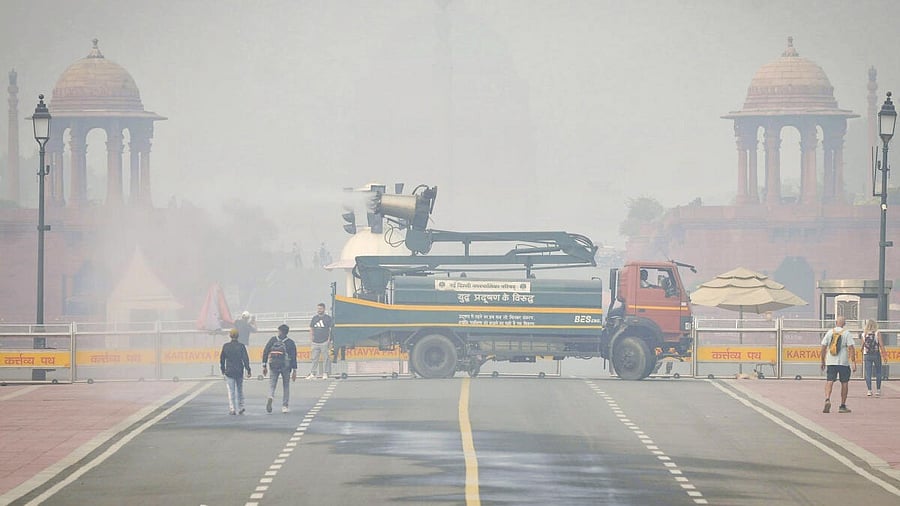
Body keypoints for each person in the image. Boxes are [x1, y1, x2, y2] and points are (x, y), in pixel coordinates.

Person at [820, 316, 857, 413]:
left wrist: (823, 360)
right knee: (844, 383)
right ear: (844, 324)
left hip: (831, 361)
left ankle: (827, 399)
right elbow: (851, 348)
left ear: (836, 322)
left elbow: (823, 347)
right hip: (843, 363)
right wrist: (853, 362)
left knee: (829, 380)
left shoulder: (829, 332)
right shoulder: (846, 333)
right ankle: (842, 405)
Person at [262, 324, 297, 413]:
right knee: (286, 386)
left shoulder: (273, 340)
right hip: (285, 366)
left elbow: (266, 351)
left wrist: (264, 365)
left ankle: (270, 397)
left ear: (280, 331)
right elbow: (293, 356)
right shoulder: (290, 342)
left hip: (273, 366)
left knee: (272, 385)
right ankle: (284, 406)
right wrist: (294, 370)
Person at [220, 328, 251, 415]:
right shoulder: (241, 346)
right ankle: (241, 407)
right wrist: (248, 370)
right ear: (238, 336)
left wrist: (222, 369)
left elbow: (222, 359)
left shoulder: (226, 346)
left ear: (230, 336)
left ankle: (232, 408)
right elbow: (245, 359)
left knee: (231, 391)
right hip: (239, 371)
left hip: (229, 371)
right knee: (240, 390)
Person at [860, 319, 888, 397]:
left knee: (868, 373)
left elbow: (862, 347)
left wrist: (861, 351)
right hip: (876, 354)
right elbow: (881, 345)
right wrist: (885, 355)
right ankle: (878, 390)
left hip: (867, 355)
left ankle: (869, 390)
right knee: (878, 372)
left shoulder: (864, 334)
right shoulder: (877, 333)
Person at [307, 302, 334, 379]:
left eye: (320, 309)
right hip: (315, 342)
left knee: (326, 358)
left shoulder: (328, 318)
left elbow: (330, 329)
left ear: (324, 309)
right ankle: (313, 373)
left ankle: (325, 373)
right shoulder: (314, 318)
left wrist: (329, 340)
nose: (319, 310)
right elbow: (311, 328)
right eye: (318, 308)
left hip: (324, 341)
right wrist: (311, 338)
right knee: (314, 358)